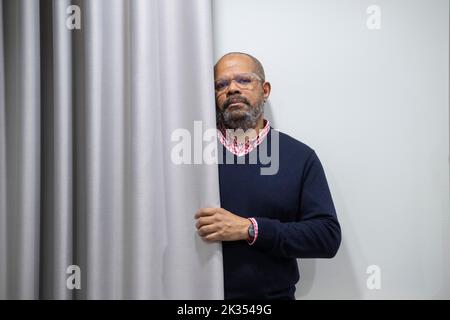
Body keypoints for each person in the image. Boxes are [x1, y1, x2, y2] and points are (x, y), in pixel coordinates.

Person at [194, 52, 341, 299]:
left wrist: (250, 229)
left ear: (265, 90)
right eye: (221, 84)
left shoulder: (300, 157)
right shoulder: (192, 158)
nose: (232, 89)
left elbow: (326, 237)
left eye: (243, 80)